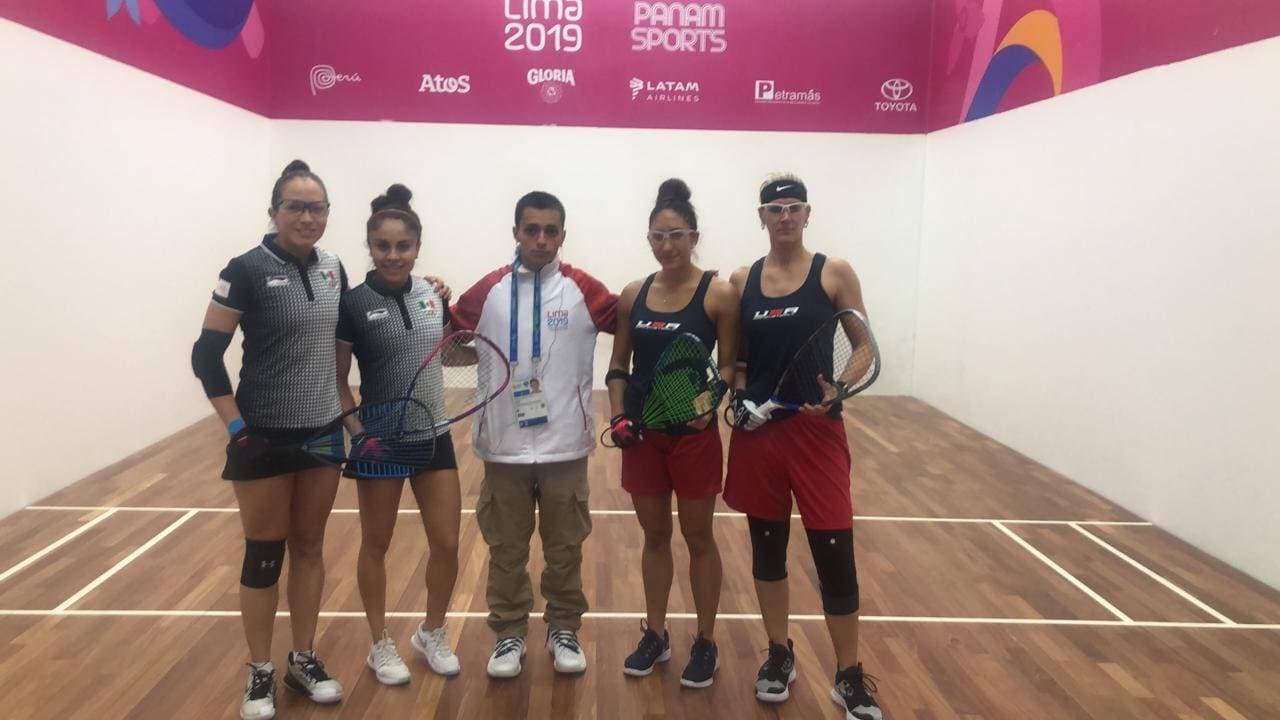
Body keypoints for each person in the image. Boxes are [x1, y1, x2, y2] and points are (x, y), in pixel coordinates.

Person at [723, 174, 883, 720]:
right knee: (767, 551)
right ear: (761, 216)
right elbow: (739, 360)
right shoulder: (741, 281)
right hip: (760, 437)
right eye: (774, 208)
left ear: (807, 213)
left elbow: (864, 347)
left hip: (817, 434)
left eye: (793, 207)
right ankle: (778, 655)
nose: (784, 216)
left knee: (835, 556)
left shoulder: (834, 273)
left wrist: (839, 386)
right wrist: (740, 397)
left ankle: (849, 676)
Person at [191, 160, 346, 720]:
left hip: (324, 435)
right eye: (296, 207)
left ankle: (302, 658)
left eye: (317, 207)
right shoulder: (246, 269)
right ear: (274, 212)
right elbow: (206, 355)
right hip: (262, 437)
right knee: (264, 553)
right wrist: (237, 428)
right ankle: (260, 670)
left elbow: (342, 341)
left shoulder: (334, 268)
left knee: (310, 547)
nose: (307, 217)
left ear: (328, 213)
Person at [452, 191, 617, 678]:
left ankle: (563, 626)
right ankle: (508, 635)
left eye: (551, 231)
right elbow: (448, 340)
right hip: (502, 447)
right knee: (506, 549)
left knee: (565, 547)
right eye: (532, 230)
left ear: (562, 235)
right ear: (516, 233)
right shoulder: (489, 290)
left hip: (566, 445)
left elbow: (638, 323)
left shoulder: (585, 289)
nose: (541, 239)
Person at [604, 179, 738, 687]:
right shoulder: (634, 294)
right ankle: (656, 634)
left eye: (676, 235)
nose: (667, 246)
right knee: (654, 536)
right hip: (642, 435)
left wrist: (710, 404)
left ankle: (705, 641)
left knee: (699, 537)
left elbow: (729, 366)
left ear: (694, 236)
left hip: (693, 437)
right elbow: (619, 364)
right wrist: (618, 415)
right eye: (658, 237)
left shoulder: (718, 294)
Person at [335, 184, 462, 685]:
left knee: (448, 544)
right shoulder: (353, 302)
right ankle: (379, 644)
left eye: (402, 246)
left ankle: (432, 631)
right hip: (380, 438)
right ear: (370, 246)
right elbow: (336, 377)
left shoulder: (434, 295)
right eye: (383, 246)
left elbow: (454, 354)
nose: (392, 255)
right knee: (376, 545)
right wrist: (358, 431)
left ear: (416, 247)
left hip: (434, 435)